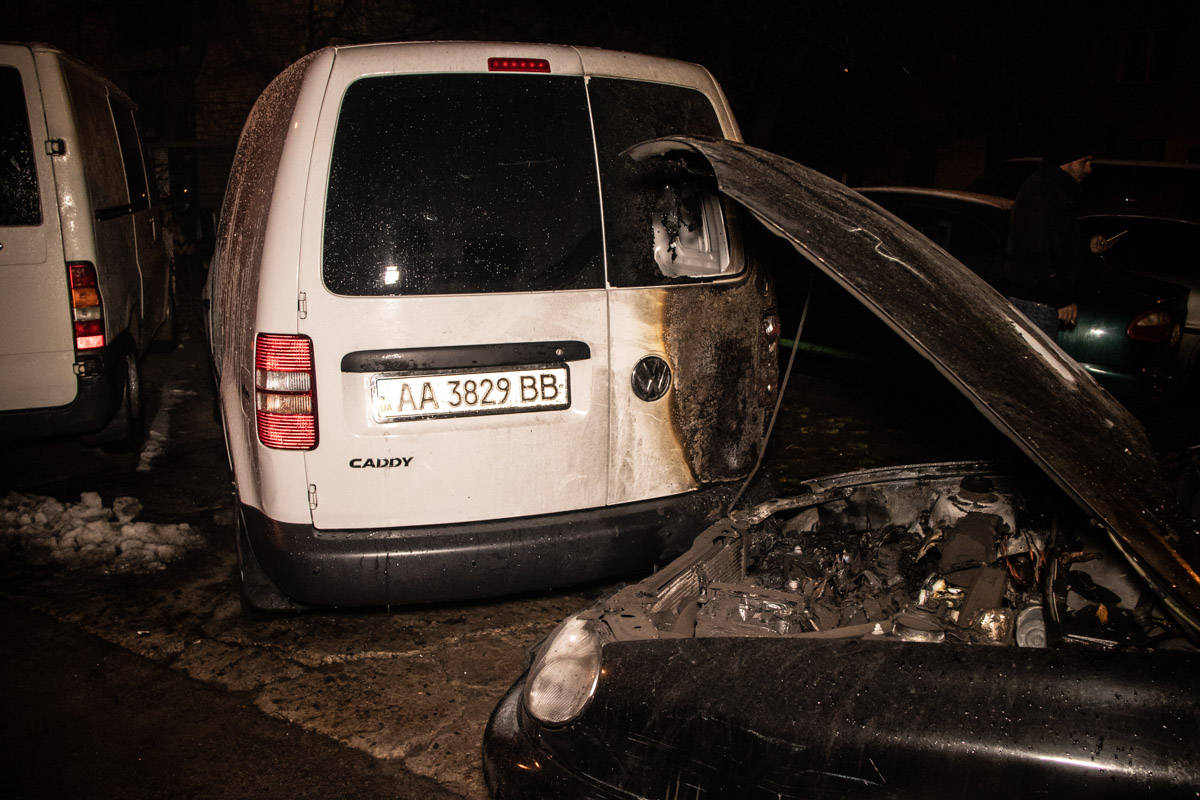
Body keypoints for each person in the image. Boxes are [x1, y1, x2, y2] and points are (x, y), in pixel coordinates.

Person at [1001, 141, 1115, 338]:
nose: (1089, 169)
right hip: (1036, 302)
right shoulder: (1043, 190)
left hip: (1040, 300)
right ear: (1066, 161)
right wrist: (1060, 297)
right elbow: (1037, 249)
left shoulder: (1055, 189)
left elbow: (1055, 241)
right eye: (1084, 162)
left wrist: (1087, 246)